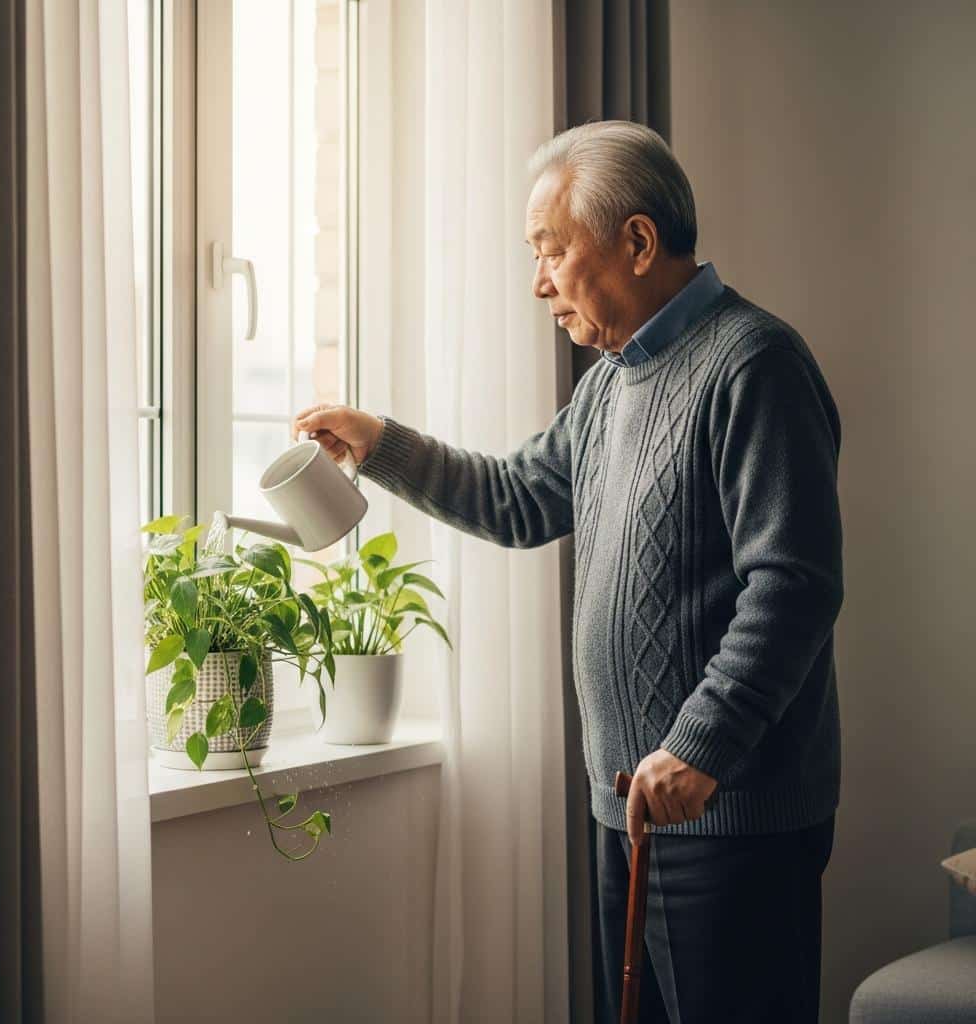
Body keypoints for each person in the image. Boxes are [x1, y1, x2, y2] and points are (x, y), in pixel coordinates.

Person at [293, 120, 842, 1024]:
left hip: (729, 815)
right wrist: (379, 444)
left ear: (636, 242)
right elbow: (517, 498)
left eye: (553, 250)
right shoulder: (608, 384)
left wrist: (701, 745)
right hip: (627, 809)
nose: (539, 282)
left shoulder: (756, 364)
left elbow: (794, 583)